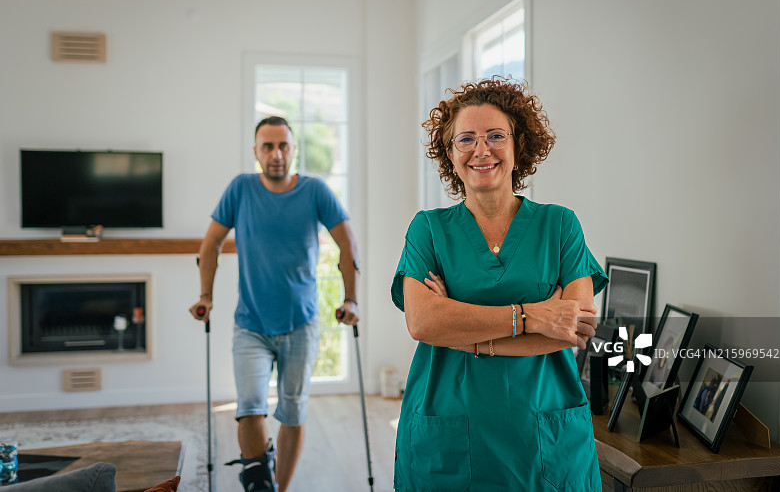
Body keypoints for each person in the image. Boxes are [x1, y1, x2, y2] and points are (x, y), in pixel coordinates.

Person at [391, 78, 608, 491]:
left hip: (542, 433)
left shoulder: (559, 225)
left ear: (517, 144)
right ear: (450, 154)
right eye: (466, 139)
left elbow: (573, 329)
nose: (481, 149)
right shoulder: (428, 230)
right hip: (450, 430)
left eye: (495, 135)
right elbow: (422, 323)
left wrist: (461, 334)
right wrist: (532, 316)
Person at [190, 116, 359, 492]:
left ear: (293, 150)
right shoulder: (241, 189)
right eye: (268, 146)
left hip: (301, 324)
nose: (276, 154)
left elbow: (347, 243)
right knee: (249, 406)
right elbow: (211, 244)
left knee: (293, 411)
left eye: (283, 145)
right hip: (251, 324)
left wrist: (351, 299)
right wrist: (206, 296)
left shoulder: (315, 191)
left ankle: (280, 489)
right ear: (256, 152)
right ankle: (258, 481)